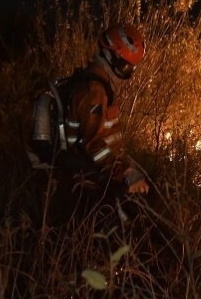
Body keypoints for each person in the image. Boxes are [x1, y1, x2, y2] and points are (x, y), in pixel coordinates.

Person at [47, 22, 149, 225]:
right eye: (124, 66)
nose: (126, 74)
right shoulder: (94, 92)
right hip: (86, 180)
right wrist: (126, 173)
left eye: (131, 68)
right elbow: (95, 145)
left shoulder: (97, 85)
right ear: (109, 55)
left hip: (95, 173)